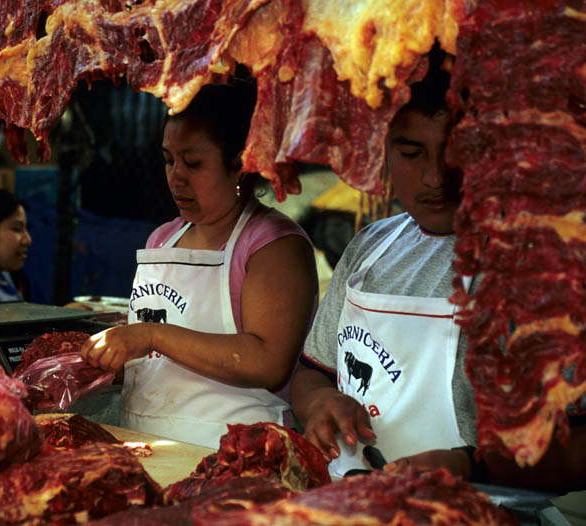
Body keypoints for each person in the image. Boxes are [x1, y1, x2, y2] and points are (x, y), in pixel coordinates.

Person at [291, 52, 585, 492]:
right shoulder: (371, 246)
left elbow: (578, 447)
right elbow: (313, 370)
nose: (434, 179)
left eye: (456, 155)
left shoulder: (539, 267)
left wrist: (467, 465)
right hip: (351, 504)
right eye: (412, 153)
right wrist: (318, 402)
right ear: (384, 151)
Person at [80, 82, 319, 449]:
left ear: (240, 164)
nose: (176, 177)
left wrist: (150, 334)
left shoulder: (273, 245)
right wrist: (102, 358)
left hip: (241, 456)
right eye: (168, 160)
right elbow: (147, 363)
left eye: (193, 163)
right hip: (148, 445)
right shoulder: (162, 240)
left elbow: (269, 362)